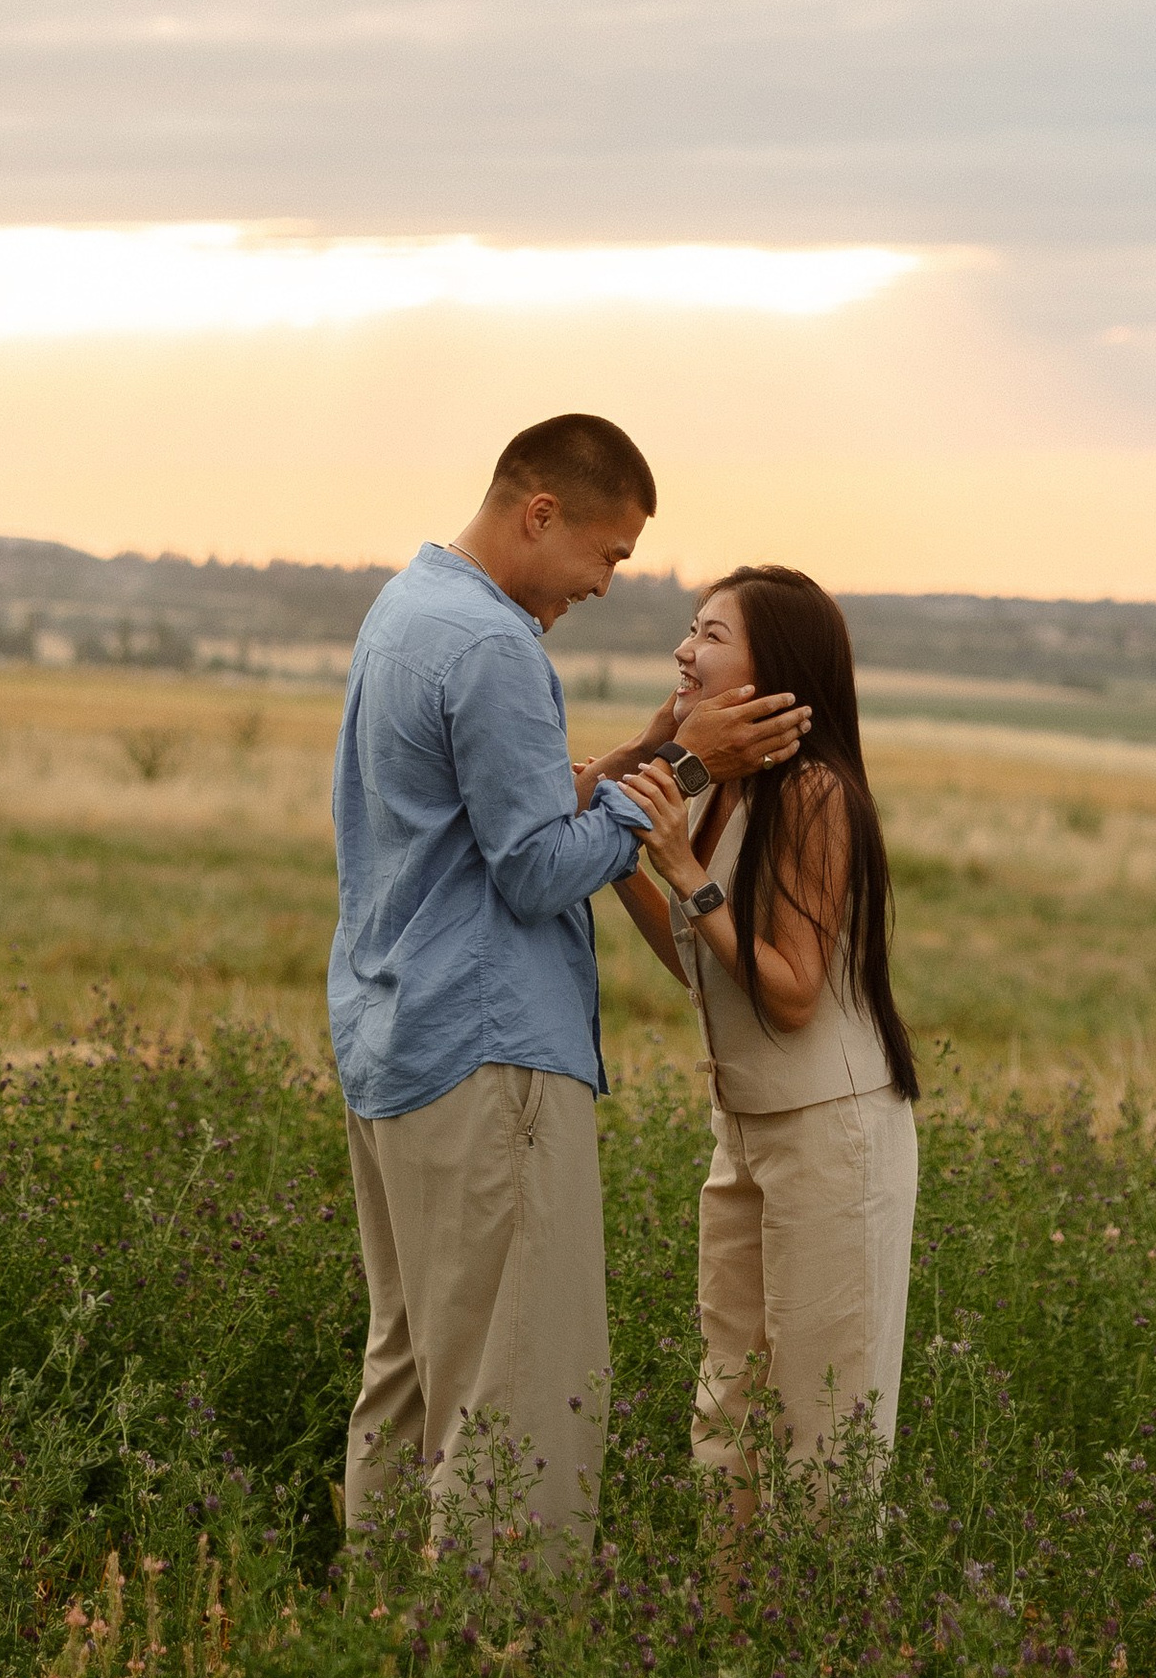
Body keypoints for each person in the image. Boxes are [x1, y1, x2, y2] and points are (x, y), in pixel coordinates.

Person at [330, 417, 810, 1546]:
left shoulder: (405, 610)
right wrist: (695, 768)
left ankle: (374, 1652)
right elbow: (538, 870)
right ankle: (495, 1672)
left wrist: (632, 758)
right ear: (539, 513)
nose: (605, 584)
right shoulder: (496, 649)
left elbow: (478, 820)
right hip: (488, 1048)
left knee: (409, 1372)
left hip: (394, 1035)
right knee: (520, 1383)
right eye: (609, 554)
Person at [612, 565, 920, 1513]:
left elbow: (787, 994)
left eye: (710, 634)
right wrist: (641, 834)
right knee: (730, 1405)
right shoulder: (721, 789)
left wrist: (679, 870)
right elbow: (710, 968)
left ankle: (823, 1646)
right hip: (743, 1132)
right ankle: (731, 1636)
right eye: (688, 629)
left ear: (772, 668)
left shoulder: (817, 792)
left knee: (824, 1424)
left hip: (832, 1136)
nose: (684, 649)